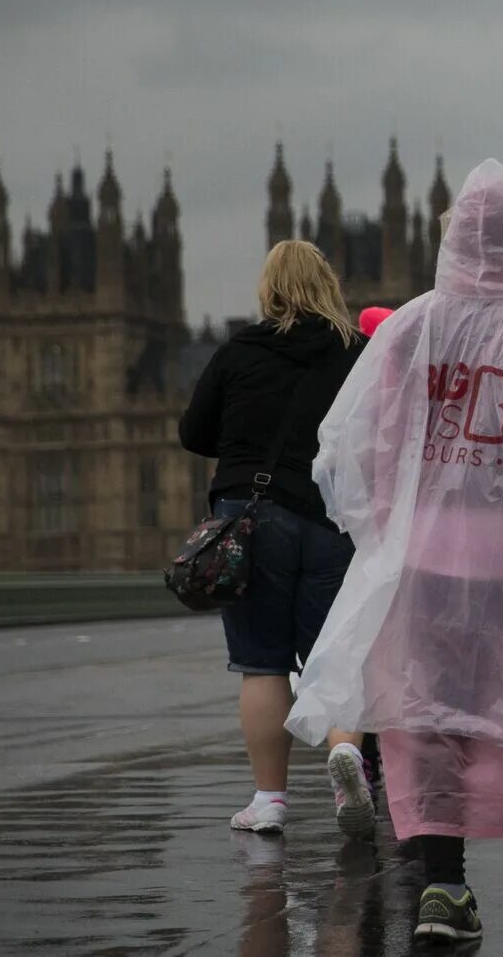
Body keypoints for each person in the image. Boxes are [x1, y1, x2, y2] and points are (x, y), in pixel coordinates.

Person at [287, 160, 503, 942]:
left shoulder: (411, 325)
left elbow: (357, 451)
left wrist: (390, 533)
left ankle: (443, 889)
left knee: (428, 718)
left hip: (420, 565)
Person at [179, 239, 371, 839]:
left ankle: (269, 801)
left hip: (251, 518)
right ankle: (345, 758)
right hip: (331, 519)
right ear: (329, 285)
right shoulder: (360, 354)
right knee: (334, 661)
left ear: (270, 289)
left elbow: (194, 432)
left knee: (261, 664)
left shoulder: (241, 350)